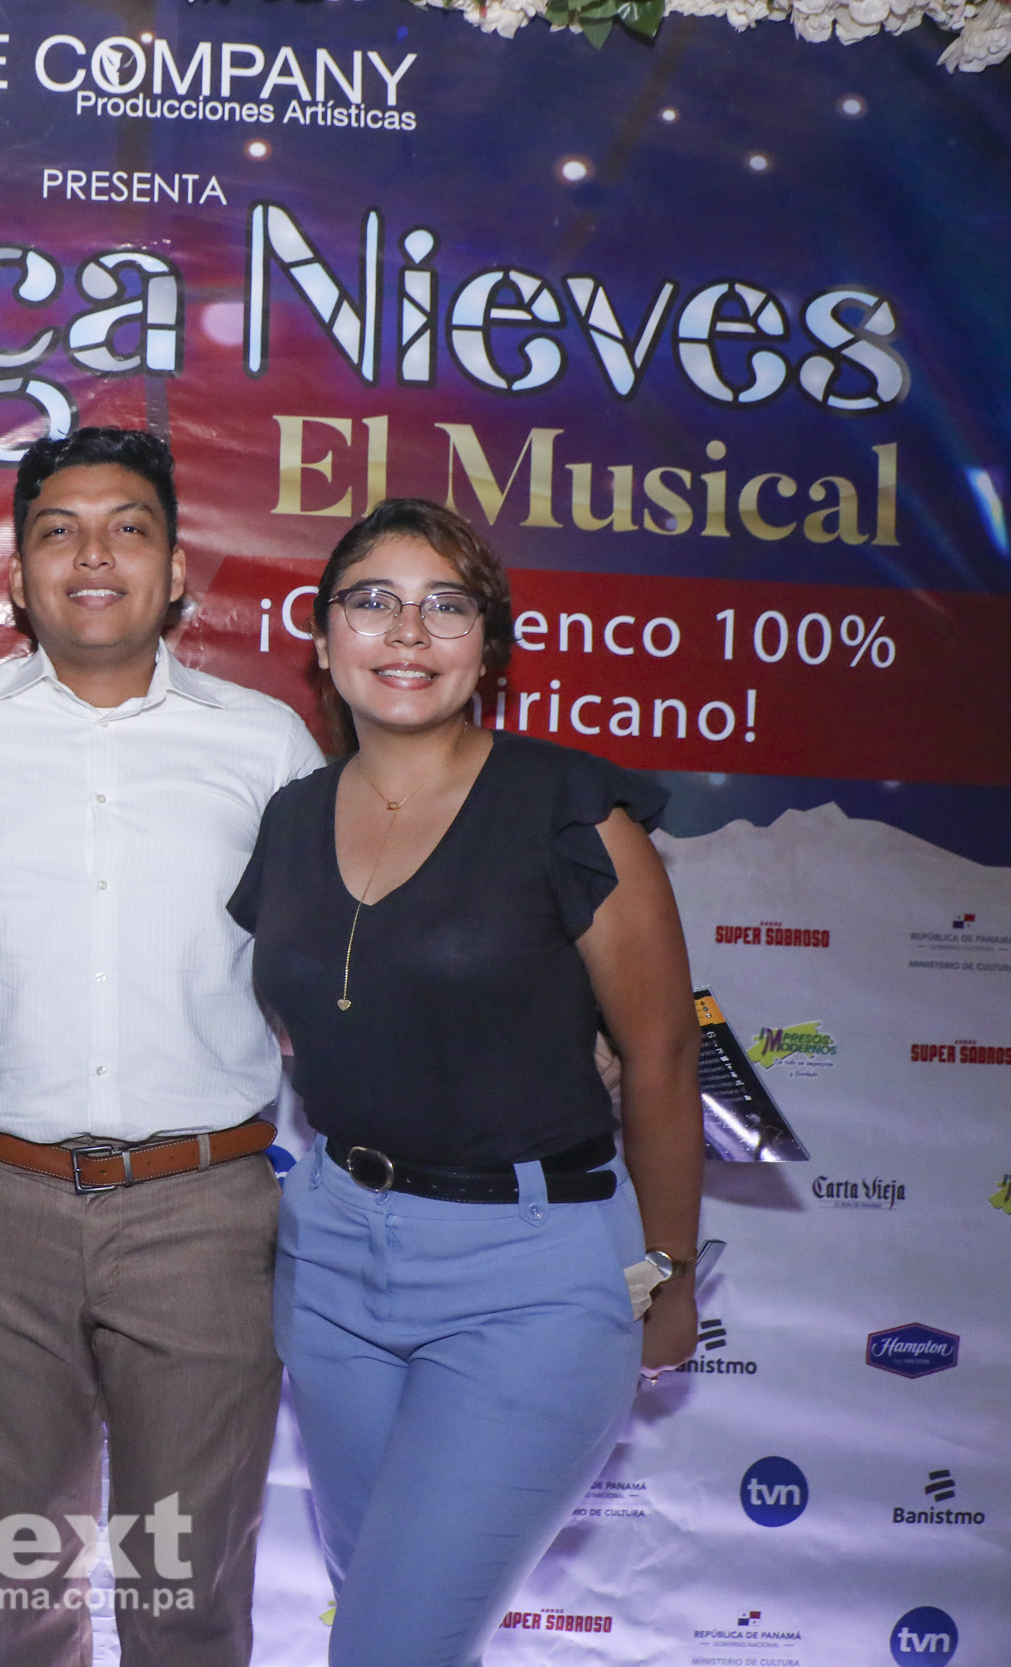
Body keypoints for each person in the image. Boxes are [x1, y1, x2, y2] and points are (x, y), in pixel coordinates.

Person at [230, 497, 703, 1667]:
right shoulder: (289, 818)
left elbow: (661, 1055)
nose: (407, 631)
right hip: (331, 1264)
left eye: (445, 604)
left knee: (387, 1646)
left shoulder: (568, 808)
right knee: (391, 1612)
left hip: (529, 1279)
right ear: (323, 637)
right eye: (372, 601)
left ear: (487, 645)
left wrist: (668, 1272)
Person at [0, 427, 323, 1667]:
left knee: (184, 1595)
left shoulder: (266, 742)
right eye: (59, 531)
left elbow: (345, 956)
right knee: (23, 1591)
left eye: (127, 528)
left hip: (202, 1212)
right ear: (16, 576)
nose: (93, 554)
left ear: (177, 569)